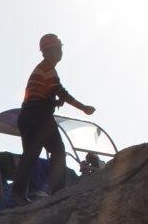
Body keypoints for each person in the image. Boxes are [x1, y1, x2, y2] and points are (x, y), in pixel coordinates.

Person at [10, 34, 95, 205]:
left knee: (30, 156)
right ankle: (58, 191)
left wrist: (54, 102)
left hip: (27, 115)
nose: (61, 51)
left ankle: (17, 192)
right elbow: (62, 92)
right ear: (48, 52)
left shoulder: (42, 70)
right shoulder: (47, 69)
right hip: (38, 115)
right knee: (57, 150)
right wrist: (84, 108)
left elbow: (40, 95)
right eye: (58, 48)